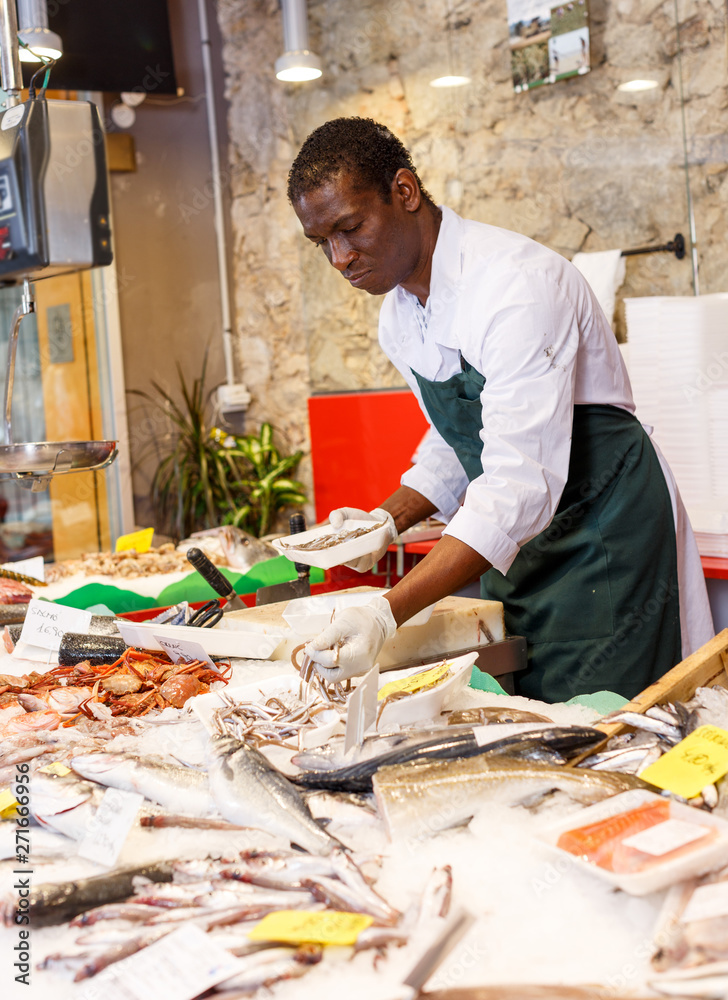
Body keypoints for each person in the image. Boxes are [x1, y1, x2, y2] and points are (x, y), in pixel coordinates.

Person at [287, 117, 713, 703]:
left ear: (405, 192)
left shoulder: (515, 285)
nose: (339, 258)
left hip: (607, 535)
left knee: (616, 726)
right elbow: (459, 438)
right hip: (522, 552)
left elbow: (517, 481)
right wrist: (386, 520)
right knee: (531, 717)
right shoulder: (398, 316)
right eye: (322, 243)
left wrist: (386, 614)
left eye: (350, 228)